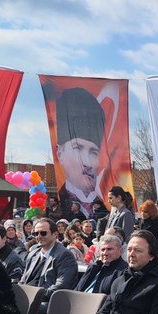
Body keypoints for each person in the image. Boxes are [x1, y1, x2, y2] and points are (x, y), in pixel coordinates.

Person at [53, 86, 106, 220]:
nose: (87, 162)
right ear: (60, 153)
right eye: (78, 148)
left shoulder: (105, 202)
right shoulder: (61, 200)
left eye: (94, 152)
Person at [20, 217, 80, 314]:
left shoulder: (64, 255)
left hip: (49, 303)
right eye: (36, 233)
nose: (39, 236)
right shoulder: (33, 254)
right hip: (29, 299)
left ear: (55, 234)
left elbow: (60, 287)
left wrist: (33, 296)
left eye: (43, 233)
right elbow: (23, 280)